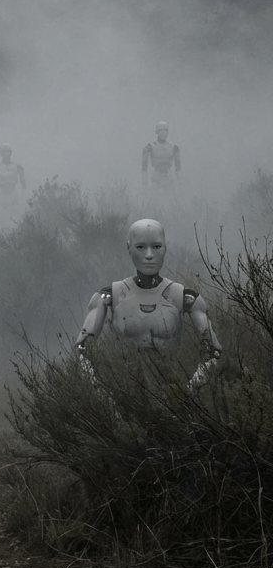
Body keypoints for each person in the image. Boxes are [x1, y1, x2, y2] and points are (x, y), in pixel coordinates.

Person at [75, 218, 220, 383]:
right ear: (129, 248)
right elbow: (83, 349)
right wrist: (102, 392)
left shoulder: (184, 297)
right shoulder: (111, 295)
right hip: (125, 390)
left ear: (165, 248)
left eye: (156, 247)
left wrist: (191, 388)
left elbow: (214, 351)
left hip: (173, 390)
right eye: (141, 247)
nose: (149, 255)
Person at [141, 122, 181, 190]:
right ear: (157, 132)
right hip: (156, 179)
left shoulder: (173, 147)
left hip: (169, 179)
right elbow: (144, 167)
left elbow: (178, 167)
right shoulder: (150, 147)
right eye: (161, 130)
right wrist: (144, 184)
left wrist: (180, 183)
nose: (164, 132)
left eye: (165, 130)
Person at [0, 143, 26, 211]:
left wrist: (22, 200)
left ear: (10, 153)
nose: (6, 154)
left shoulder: (18, 167)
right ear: (1, 153)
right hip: (1, 198)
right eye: (4, 151)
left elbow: (23, 186)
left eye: (7, 151)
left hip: (14, 197)